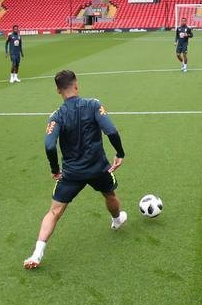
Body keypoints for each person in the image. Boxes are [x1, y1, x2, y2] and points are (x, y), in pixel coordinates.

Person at [23, 70, 127, 269]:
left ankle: (37, 254)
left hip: (72, 173)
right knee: (110, 194)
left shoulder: (57, 116)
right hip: (98, 168)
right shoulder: (94, 105)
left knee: (54, 212)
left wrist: (55, 169)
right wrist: (119, 153)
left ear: (57, 91)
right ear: (76, 85)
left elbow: (49, 145)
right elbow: (111, 130)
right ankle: (116, 220)